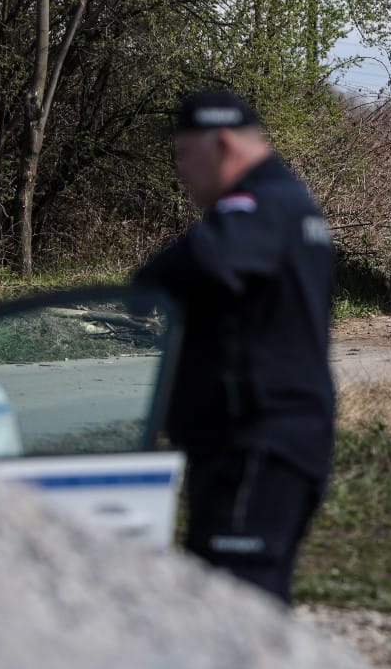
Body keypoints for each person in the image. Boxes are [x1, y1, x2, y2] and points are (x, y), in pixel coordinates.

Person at [133, 88, 336, 605]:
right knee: (249, 607)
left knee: (235, 607)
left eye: (184, 153)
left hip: (257, 446)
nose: (180, 170)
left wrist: (144, 286)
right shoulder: (288, 201)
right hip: (269, 444)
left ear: (222, 144)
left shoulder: (259, 206)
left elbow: (195, 264)